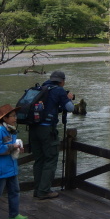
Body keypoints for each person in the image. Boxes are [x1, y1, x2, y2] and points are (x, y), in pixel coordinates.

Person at [30, 69, 75, 200]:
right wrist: (69, 98)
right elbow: (70, 108)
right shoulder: (59, 90)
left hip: (33, 129)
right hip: (47, 129)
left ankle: (37, 190)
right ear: (62, 81)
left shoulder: (41, 88)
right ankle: (44, 191)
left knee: (39, 160)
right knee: (51, 159)